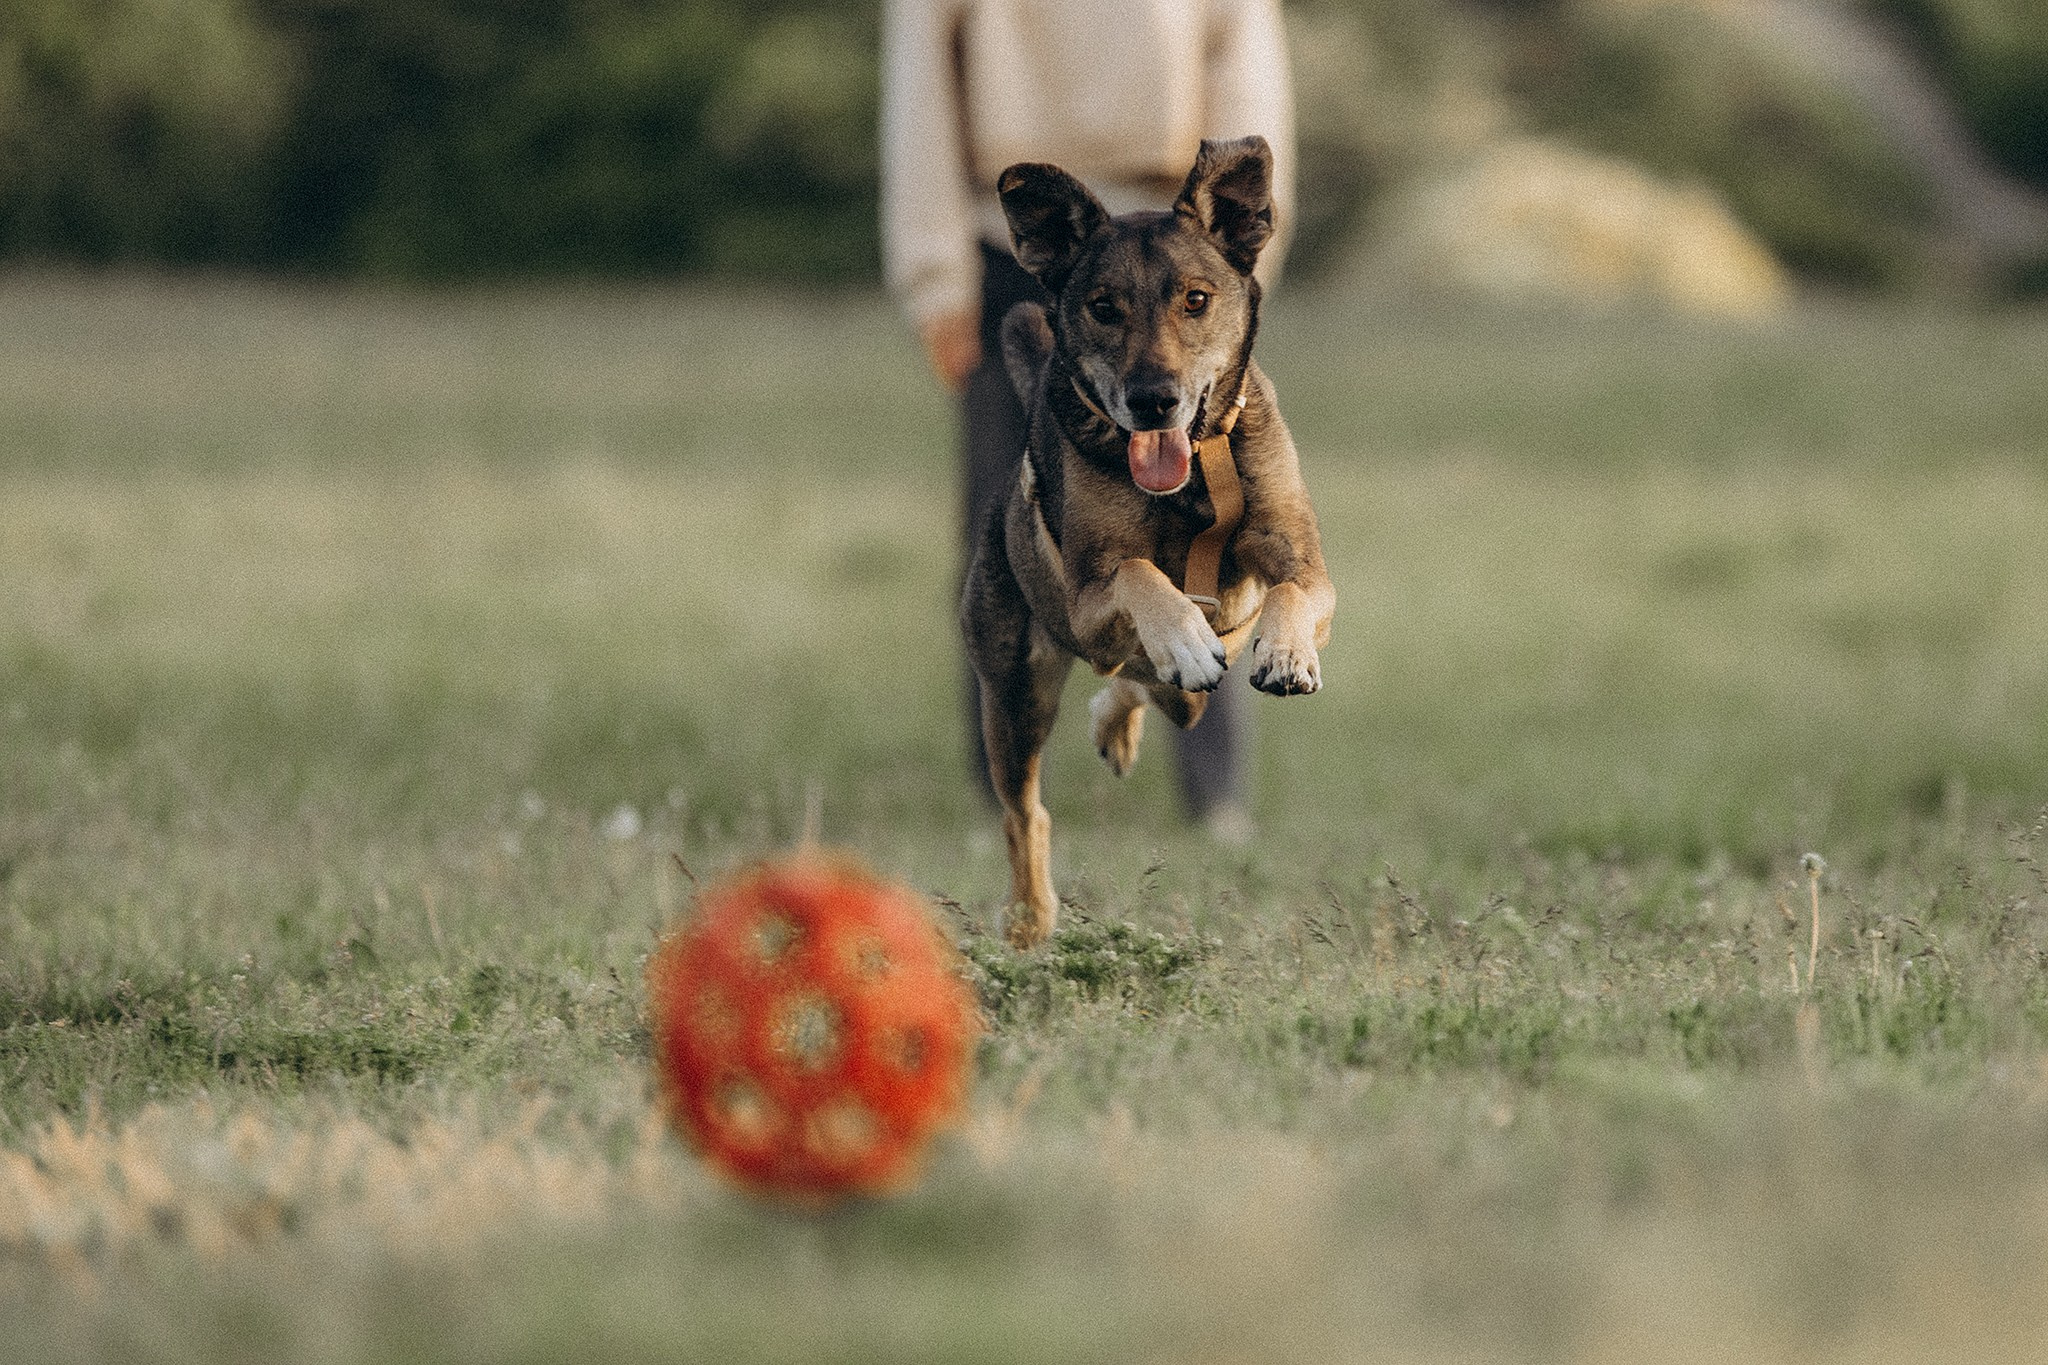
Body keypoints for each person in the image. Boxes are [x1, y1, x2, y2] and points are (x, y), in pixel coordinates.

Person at [881, 0, 1296, 842]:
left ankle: (1214, 796)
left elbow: (1245, 69)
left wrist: (1238, 272)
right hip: (1016, 241)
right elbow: (921, 80)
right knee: (1003, 527)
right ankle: (1008, 792)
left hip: (1176, 234)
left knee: (1204, 523)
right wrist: (936, 277)